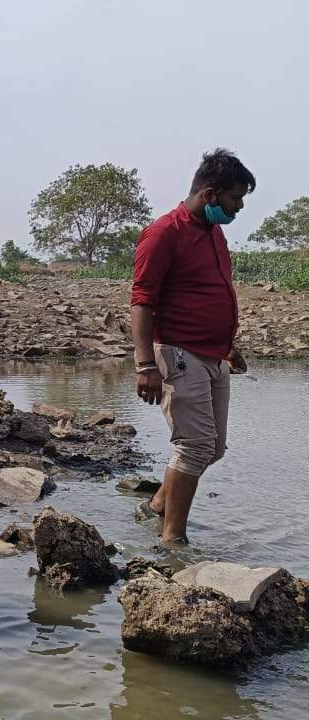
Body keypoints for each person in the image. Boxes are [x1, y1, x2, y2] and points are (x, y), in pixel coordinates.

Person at [130, 148, 255, 546]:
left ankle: (156, 508)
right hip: (179, 353)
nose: (238, 208)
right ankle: (172, 541)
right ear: (210, 194)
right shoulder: (164, 233)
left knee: (213, 447)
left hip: (213, 354)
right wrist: (145, 365)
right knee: (195, 445)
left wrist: (227, 345)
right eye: (235, 199)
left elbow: (208, 292)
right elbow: (142, 301)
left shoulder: (213, 233)